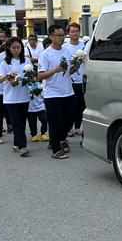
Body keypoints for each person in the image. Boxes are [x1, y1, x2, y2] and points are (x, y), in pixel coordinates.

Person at [38, 25, 76, 160]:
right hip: (52, 94)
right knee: (55, 123)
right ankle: (55, 149)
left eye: (62, 35)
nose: (61, 37)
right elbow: (40, 76)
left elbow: (69, 71)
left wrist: (75, 66)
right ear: (51, 36)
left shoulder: (66, 51)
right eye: (58, 35)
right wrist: (54, 70)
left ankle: (60, 138)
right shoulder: (45, 54)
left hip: (68, 91)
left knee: (71, 117)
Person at [0, 37, 32, 156]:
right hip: (11, 98)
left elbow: (30, 75)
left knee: (22, 122)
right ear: (8, 48)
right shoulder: (4, 62)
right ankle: (23, 146)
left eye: (18, 47)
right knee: (16, 122)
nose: (16, 50)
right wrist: (8, 75)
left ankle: (16, 143)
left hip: (24, 96)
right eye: (13, 48)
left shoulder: (26, 61)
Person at [61, 23, 87, 138]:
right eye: (72, 31)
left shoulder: (85, 45)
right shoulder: (65, 47)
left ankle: (78, 127)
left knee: (81, 105)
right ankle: (69, 127)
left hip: (83, 79)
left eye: (77, 31)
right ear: (68, 33)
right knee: (71, 105)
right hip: (70, 80)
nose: (75, 33)